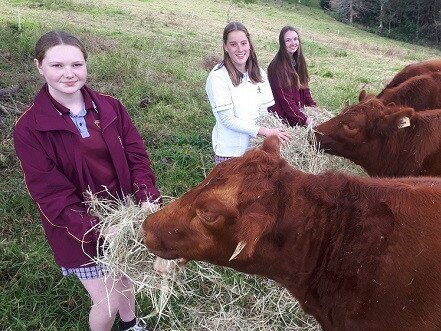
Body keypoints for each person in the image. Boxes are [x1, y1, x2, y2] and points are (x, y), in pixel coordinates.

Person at [13, 31, 159, 331]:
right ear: (39, 66)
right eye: (57, 66)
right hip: (77, 229)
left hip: (124, 214)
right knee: (107, 302)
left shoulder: (110, 107)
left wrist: (145, 198)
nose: (69, 74)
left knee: (125, 275)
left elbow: (137, 157)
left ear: (86, 65)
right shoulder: (30, 128)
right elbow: (50, 193)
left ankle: (130, 325)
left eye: (77, 64)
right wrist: (99, 226)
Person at [205, 21, 291, 164]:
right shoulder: (218, 76)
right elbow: (227, 119)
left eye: (244, 43)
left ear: (249, 45)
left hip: (254, 151)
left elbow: (264, 111)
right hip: (230, 153)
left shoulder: (259, 74)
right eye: (233, 44)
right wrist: (265, 132)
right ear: (225, 47)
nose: (240, 49)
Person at [267, 26, 316, 127]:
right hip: (284, 117)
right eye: (288, 40)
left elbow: (305, 87)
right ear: (282, 43)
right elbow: (286, 101)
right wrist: (304, 120)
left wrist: (313, 106)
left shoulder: (297, 60)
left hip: (298, 110)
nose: (293, 43)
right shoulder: (277, 67)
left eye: (295, 39)